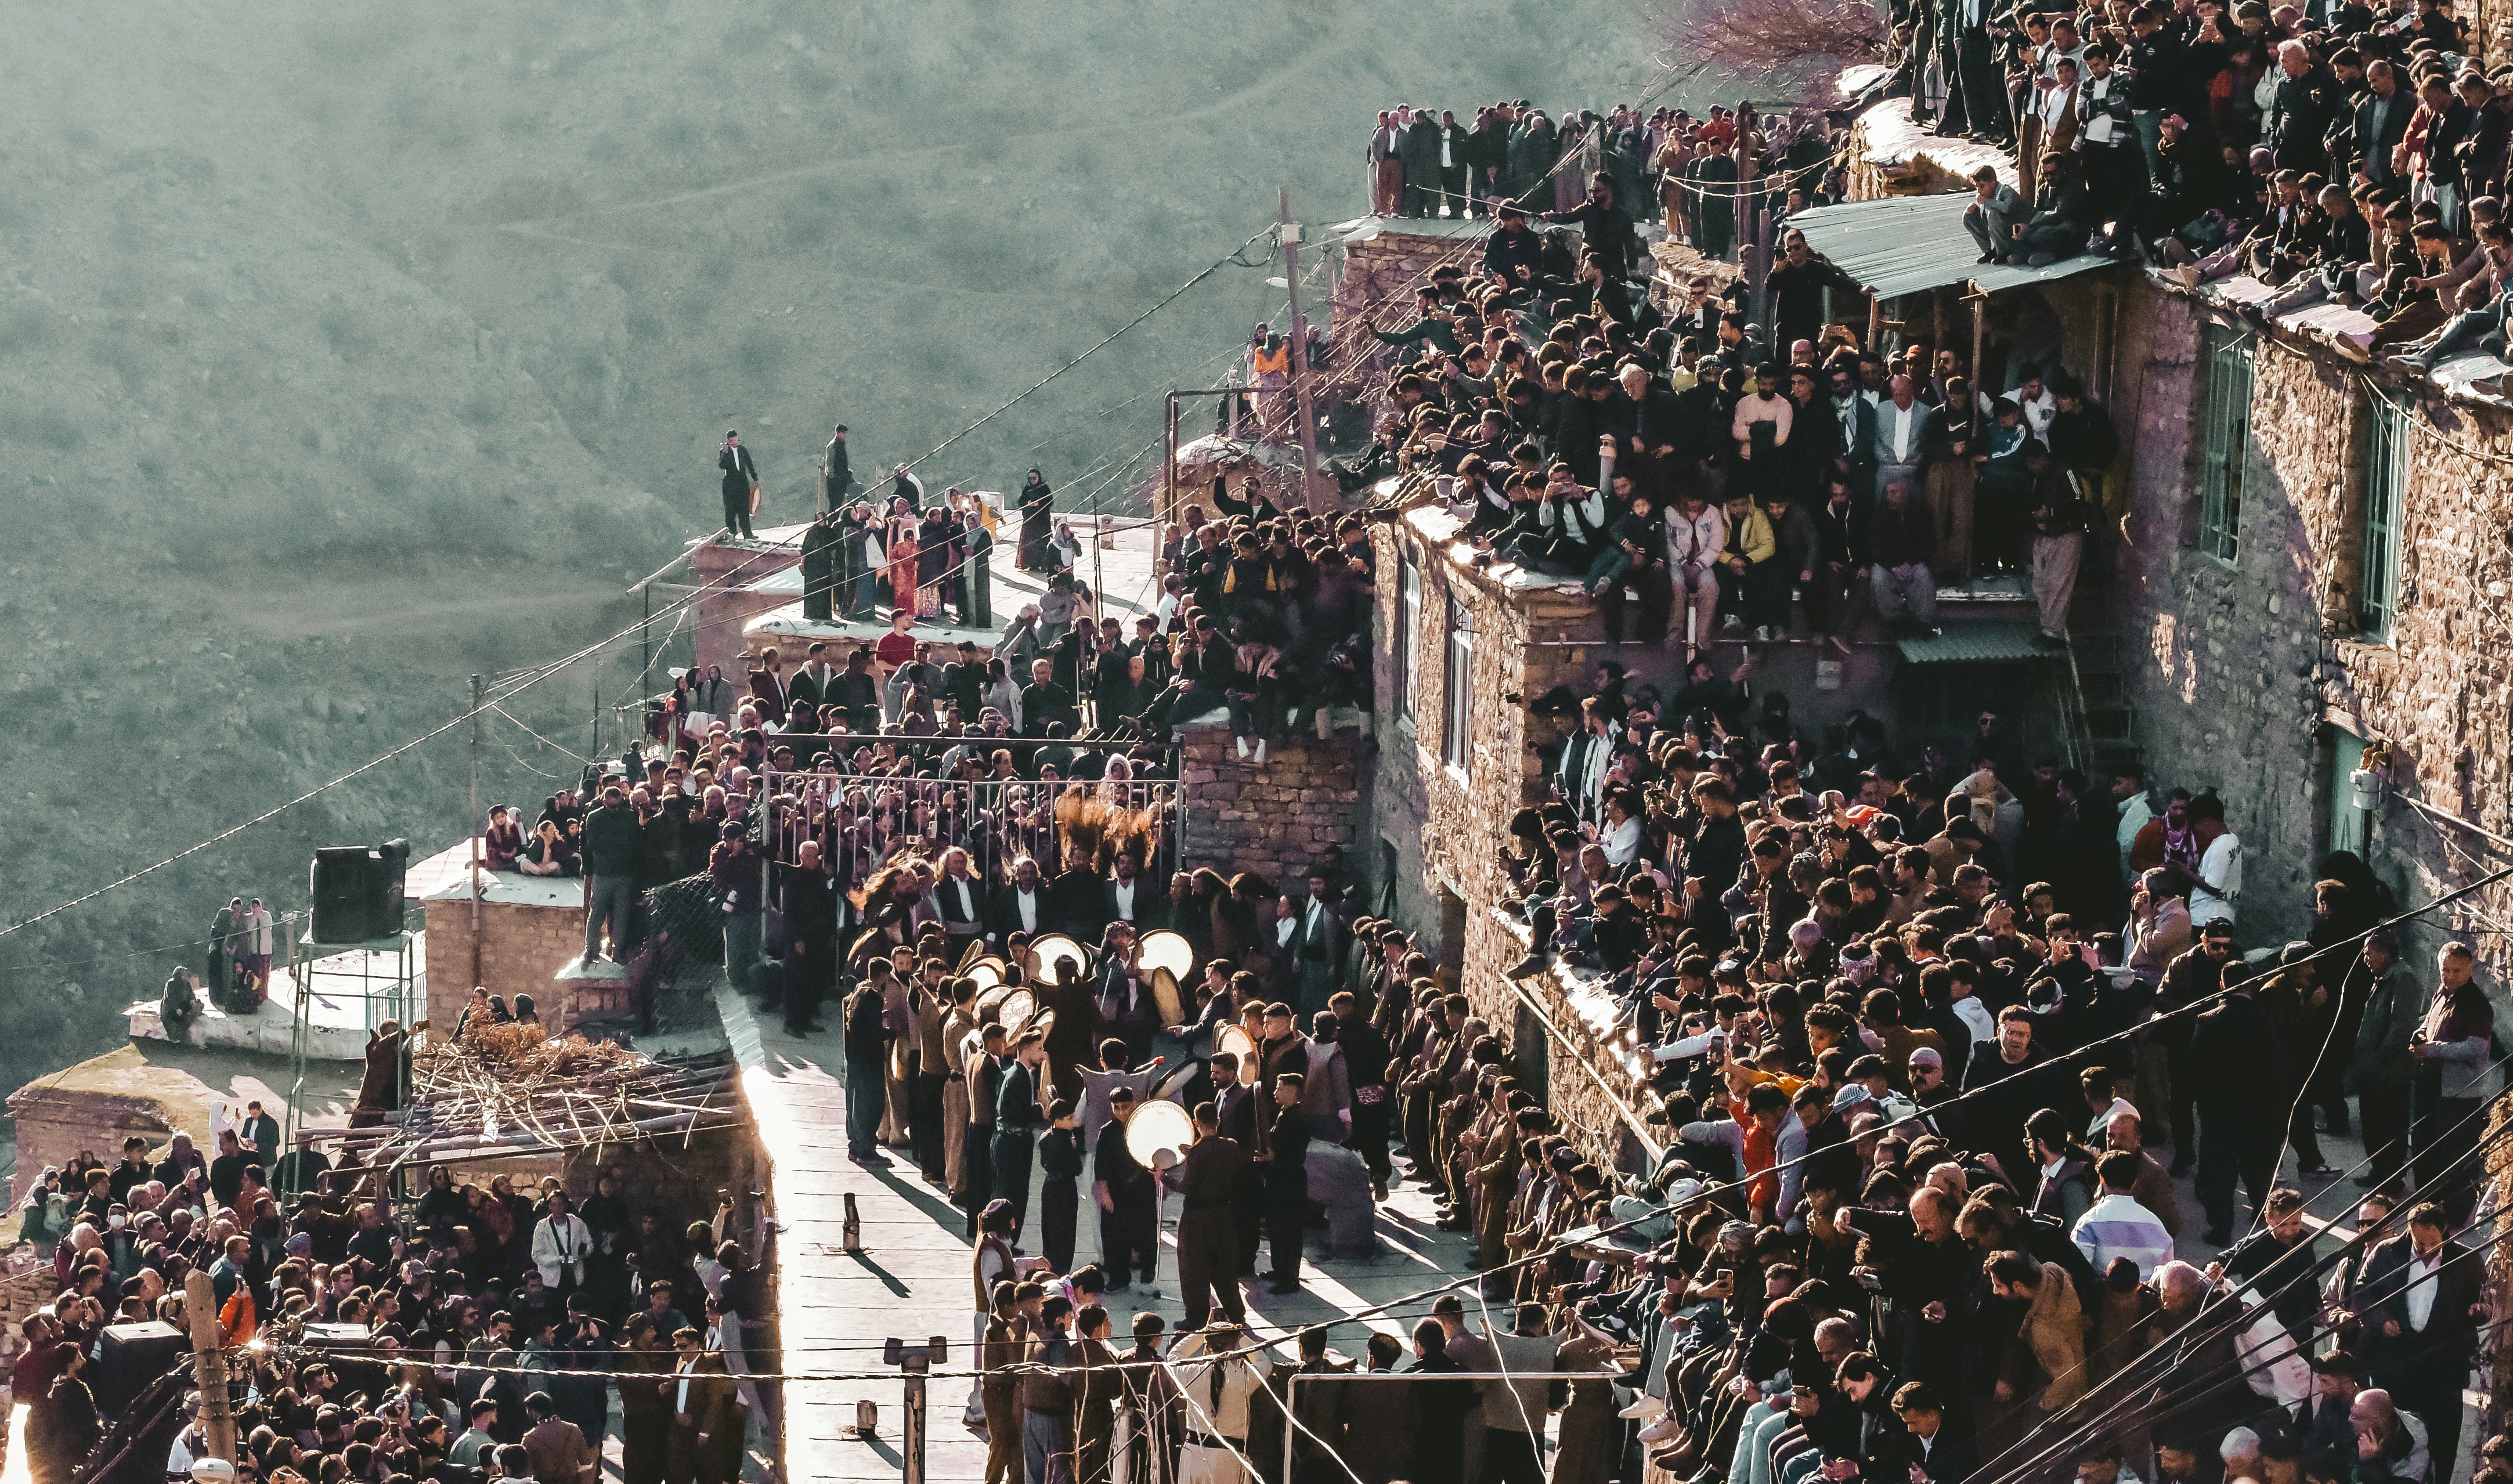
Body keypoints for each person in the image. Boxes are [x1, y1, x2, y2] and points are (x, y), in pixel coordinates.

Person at [717, 431, 759, 540]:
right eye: (730, 440)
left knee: (744, 509)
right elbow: (722, 466)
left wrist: (755, 478)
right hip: (730, 484)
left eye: (734, 439)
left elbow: (749, 464)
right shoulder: (724, 451)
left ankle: (748, 534)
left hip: (742, 483)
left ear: (737, 438)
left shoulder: (742, 450)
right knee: (730, 510)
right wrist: (725, 453)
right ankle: (732, 533)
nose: (733, 442)